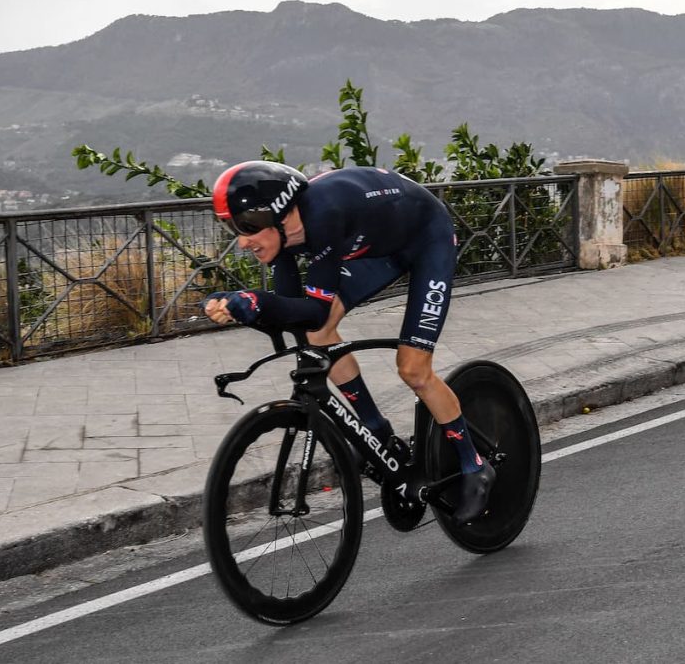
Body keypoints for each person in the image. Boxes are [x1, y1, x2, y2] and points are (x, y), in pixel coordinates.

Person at [203, 160, 494, 523]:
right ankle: (377, 430)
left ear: (282, 214)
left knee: (413, 369)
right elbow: (294, 313)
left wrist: (255, 302)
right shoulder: (285, 237)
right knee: (316, 333)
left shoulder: (326, 216)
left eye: (249, 227)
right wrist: (240, 305)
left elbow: (309, 308)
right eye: (234, 228)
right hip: (376, 248)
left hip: (427, 238)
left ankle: (474, 464)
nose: (243, 241)